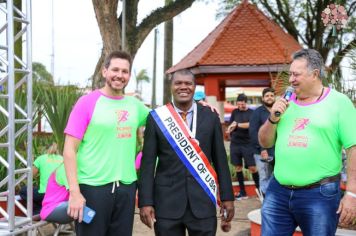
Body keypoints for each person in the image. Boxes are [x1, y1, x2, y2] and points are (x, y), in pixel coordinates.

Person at [258, 48, 356, 235]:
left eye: (297, 74)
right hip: (278, 192)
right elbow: (265, 142)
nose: (291, 79)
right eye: (290, 74)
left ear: (315, 74)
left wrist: (352, 193)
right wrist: (273, 119)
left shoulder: (339, 103)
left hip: (319, 195)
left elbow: (354, 148)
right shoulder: (284, 102)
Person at [63, 51, 150, 236]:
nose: (120, 75)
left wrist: (199, 105)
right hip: (92, 189)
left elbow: (166, 119)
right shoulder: (86, 103)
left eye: (125, 71)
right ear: (104, 71)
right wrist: (75, 193)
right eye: (115, 69)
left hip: (126, 189)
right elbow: (69, 150)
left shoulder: (135, 106)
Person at [138, 69, 235, 235]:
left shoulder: (210, 117)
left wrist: (227, 197)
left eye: (188, 83)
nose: (183, 87)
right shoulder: (157, 118)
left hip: (203, 202)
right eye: (178, 83)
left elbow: (220, 160)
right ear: (171, 86)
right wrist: (145, 202)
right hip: (166, 203)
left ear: (194, 86)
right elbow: (147, 164)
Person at [226, 93, 259, 200]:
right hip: (235, 144)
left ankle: (259, 191)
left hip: (248, 144)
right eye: (239, 104)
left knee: (252, 168)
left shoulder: (252, 113)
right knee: (238, 168)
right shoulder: (235, 112)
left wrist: (237, 125)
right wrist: (230, 129)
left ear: (246, 102)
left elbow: (251, 125)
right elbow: (231, 124)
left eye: (242, 104)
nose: (240, 106)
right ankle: (242, 192)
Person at [20, 143, 63, 214]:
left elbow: (30, 176)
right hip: (60, 194)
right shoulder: (62, 159)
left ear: (46, 150)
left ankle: (37, 211)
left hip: (45, 194)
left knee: (23, 190)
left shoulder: (41, 158)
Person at [249, 88, 275, 196]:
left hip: (276, 150)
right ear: (263, 98)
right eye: (267, 96)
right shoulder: (257, 112)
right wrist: (262, 149)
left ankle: (274, 201)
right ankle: (265, 202)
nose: (269, 97)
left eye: (271, 95)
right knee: (264, 176)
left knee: (276, 176)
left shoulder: (277, 111)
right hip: (261, 151)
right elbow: (253, 132)